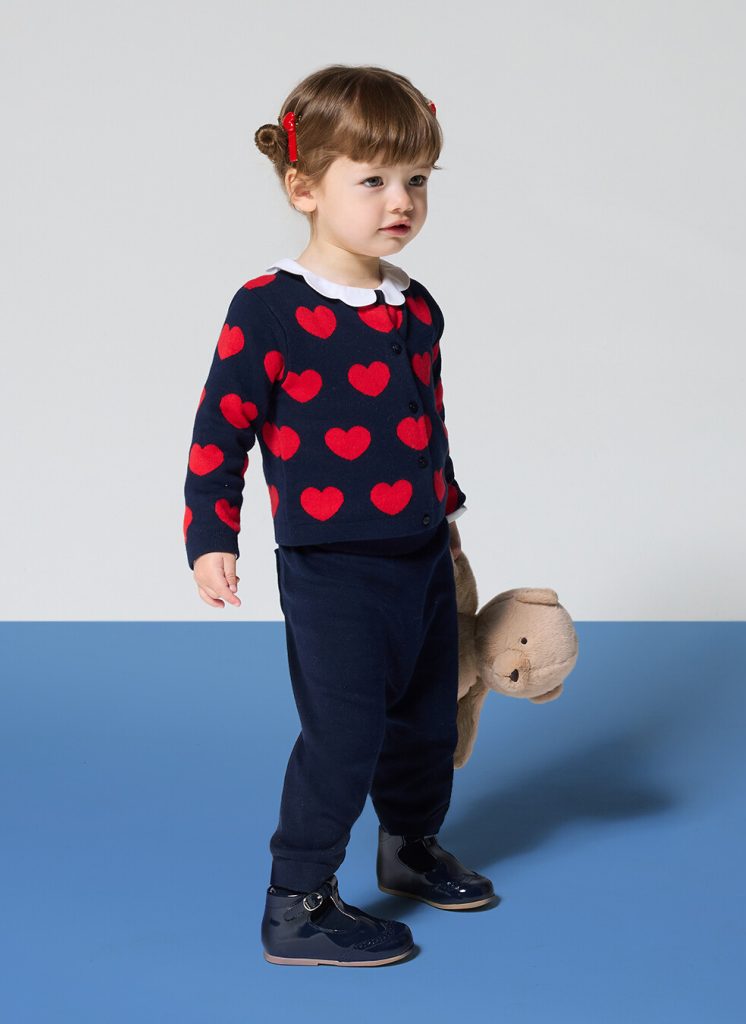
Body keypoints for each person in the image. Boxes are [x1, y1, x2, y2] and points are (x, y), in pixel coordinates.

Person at [181, 64, 494, 968]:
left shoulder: (415, 304)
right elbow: (221, 427)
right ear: (304, 188)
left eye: (417, 179)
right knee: (345, 733)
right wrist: (210, 535)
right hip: (333, 565)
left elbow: (425, 422)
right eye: (374, 180)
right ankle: (297, 902)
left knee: (428, 719)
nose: (401, 200)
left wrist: (445, 514)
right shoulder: (269, 308)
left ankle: (410, 845)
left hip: (422, 551)